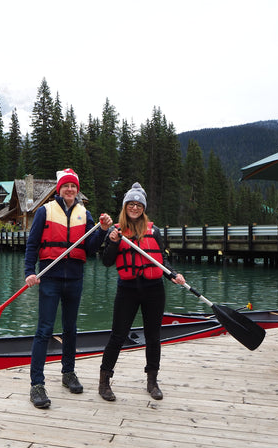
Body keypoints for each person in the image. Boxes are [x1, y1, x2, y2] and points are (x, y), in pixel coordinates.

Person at [24, 168, 113, 408]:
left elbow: (91, 248)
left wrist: (103, 230)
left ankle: (68, 373)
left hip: (74, 278)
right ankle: (37, 384)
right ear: (58, 189)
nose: (70, 190)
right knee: (44, 329)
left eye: (73, 186)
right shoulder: (44, 211)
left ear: (77, 189)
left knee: (71, 329)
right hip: (50, 277)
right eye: (65, 186)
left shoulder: (86, 214)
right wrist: (29, 272)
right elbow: (32, 244)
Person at [98, 182, 186, 401]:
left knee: (153, 336)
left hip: (154, 289)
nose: (135, 208)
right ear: (125, 206)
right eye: (131, 204)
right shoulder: (115, 231)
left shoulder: (154, 231)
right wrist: (113, 243)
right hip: (127, 289)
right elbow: (107, 261)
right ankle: (104, 381)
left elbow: (162, 259)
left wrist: (173, 274)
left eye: (139, 204)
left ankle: (152, 381)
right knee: (118, 336)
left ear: (143, 208)